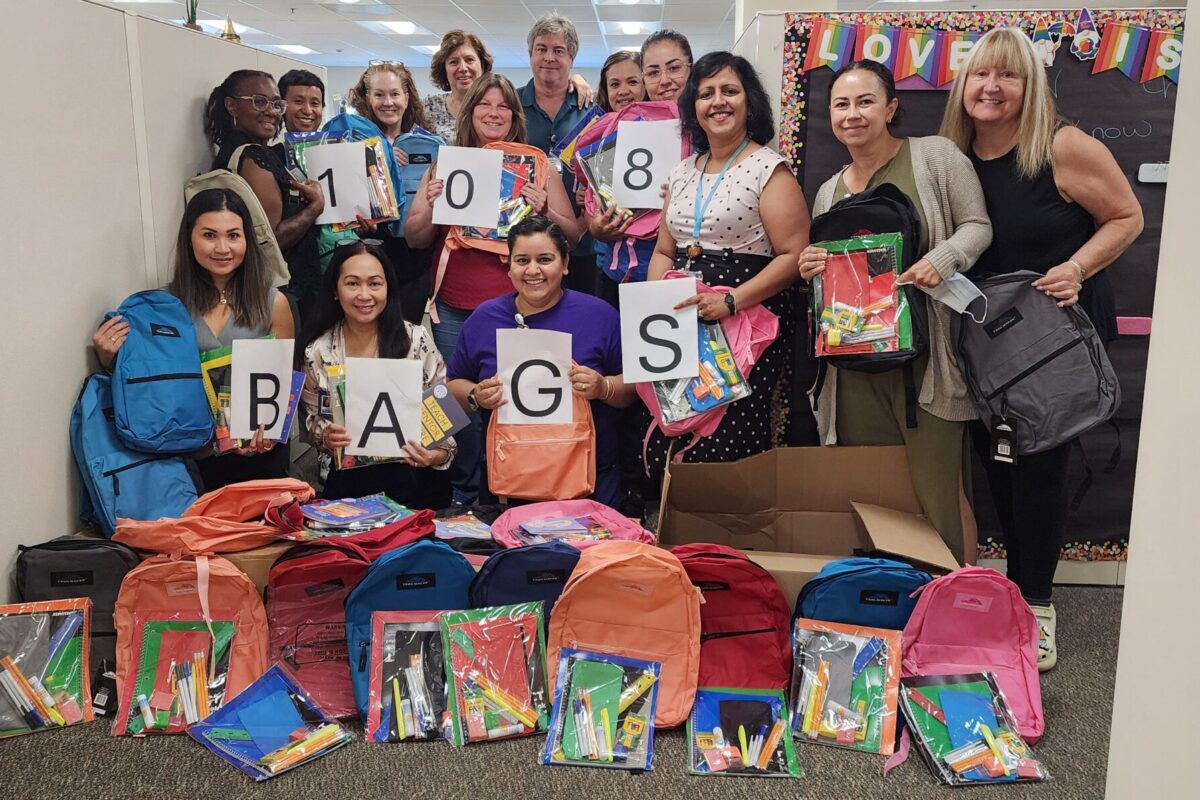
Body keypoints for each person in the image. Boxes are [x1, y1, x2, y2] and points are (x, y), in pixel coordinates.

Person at [940, 28, 1143, 671]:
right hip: (986, 345)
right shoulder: (950, 156)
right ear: (962, 85)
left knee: (1043, 469)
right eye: (979, 75)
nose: (991, 88)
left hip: (1054, 342)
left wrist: (1078, 268)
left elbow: (1127, 217)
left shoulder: (1062, 147)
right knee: (996, 463)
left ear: (1030, 85)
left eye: (1008, 76)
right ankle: (1012, 592)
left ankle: (1038, 603)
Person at [798, 60, 993, 565]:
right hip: (855, 366)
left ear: (891, 107)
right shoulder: (828, 191)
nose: (853, 114)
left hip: (928, 366)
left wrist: (942, 259)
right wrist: (812, 265)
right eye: (841, 104)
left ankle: (953, 608)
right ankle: (887, 602)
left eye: (865, 101)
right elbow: (834, 275)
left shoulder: (935, 158)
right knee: (872, 497)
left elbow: (977, 225)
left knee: (939, 495)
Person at [406, 73, 582, 506]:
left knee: (514, 402)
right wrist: (431, 201)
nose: (493, 113)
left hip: (522, 309)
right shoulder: (446, 163)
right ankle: (458, 494)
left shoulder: (536, 163)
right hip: (454, 307)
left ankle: (514, 489)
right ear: (470, 112)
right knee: (450, 399)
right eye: (484, 104)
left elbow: (573, 235)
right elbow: (413, 237)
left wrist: (546, 209)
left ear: (514, 116)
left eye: (503, 106)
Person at [646, 52, 809, 468]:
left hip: (745, 320)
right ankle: (680, 530)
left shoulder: (768, 168)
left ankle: (732, 531)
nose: (718, 102)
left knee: (730, 435)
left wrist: (732, 301)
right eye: (706, 94)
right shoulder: (682, 171)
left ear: (749, 102)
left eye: (729, 91)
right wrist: (654, 307)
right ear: (693, 107)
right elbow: (666, 250)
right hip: (682, 322)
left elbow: (793, 255)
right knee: (678, 422)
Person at [93, 189, 295, 491]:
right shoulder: (164, 307)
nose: (223, 248)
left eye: (234, 236)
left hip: (258, 460)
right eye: (210, 235)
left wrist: (270, 434)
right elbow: (147, 381)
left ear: (247, 240)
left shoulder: (272, 303)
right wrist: (109, 359)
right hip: (186, 460)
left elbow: (282, 388)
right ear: (190, 238)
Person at [446, 216, 635, 509]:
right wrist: (476, 396)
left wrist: (603, 388)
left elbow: (634, 389)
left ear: (565, 263)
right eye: (522, 260)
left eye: (545, 259)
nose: (533, 270)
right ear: (508, 267)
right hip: (508, 480)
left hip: (589, 482)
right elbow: (454, 385)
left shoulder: (600, 315)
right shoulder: (484, 319)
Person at [298, 240, 453, 508]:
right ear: (335, 290)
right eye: (352, 283)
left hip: (415, 478)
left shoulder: (416, 339)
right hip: (349, 483)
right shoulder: (318, 351)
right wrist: (326, 436)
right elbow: (313, 423)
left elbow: (444, 425)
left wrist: (434, 455)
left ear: (388, 288)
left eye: (374, 283)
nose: (364, 295)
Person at [205, 70, 323, 325]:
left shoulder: (232, 151)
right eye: (259, 101)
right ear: (232, 105)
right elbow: (270, 239)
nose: (270, 111)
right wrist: (315, 207)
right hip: (282, 290)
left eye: (276, 104)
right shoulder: (253, 157)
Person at [337, 61, 435, 323]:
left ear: (407, 97)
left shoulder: (427, 143)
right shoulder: (350, 143)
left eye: (394, 94)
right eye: (379, 94)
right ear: (367, 98)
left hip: (414, 265)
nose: (387, 102)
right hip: (369, 261)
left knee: (405, 339)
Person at [519, 13, 599, 297]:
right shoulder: (510, 106)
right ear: (530, 54)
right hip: (525, 244)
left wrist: (580, 227)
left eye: (558, 50)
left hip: (584, 246)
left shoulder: (591, 110)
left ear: (571, 59)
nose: (549, 57)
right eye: (541, 49)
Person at [425, 30, 595, 143]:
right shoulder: (428, 108)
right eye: (453, 62)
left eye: (469, 60)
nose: (463, 68)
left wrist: (576, 79)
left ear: (482, 65)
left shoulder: (508, 101)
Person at [641, 30, 693, 103]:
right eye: (654, 73)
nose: (664, 81)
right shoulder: (633, 114)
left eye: (674, 68)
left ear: (691, 70)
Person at [278, 69, 325, 134]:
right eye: (299, 101)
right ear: (281, 106)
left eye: (314, 103)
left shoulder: (337, 143)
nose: (308, 111)